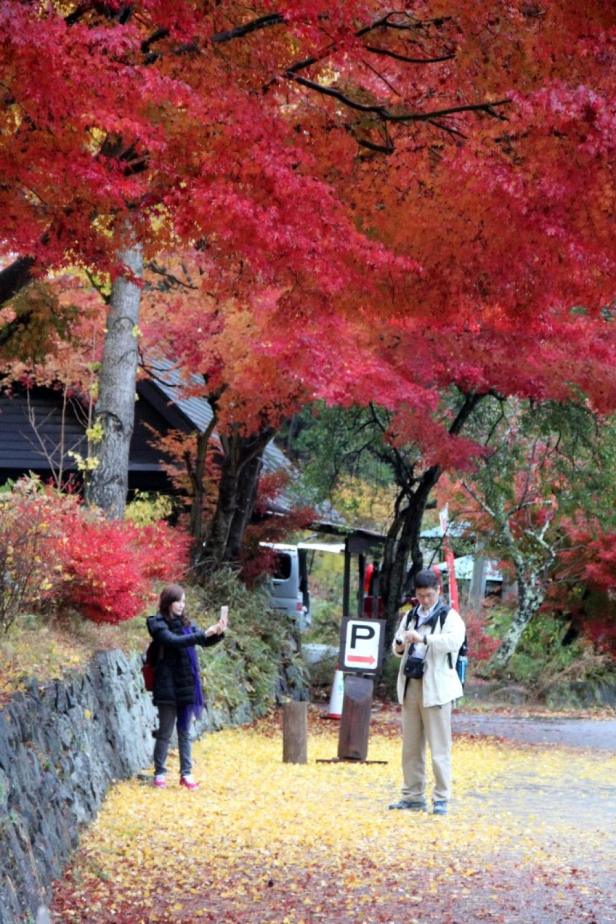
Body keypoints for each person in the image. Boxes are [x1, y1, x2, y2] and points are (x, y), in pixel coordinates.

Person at [389, 569, 465, 815]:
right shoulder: (411, 616)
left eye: (429, 595)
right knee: (411, 746)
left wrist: (423, 639)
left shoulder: (449, 617)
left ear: (438, 591)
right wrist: (402, 644)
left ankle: (441, 797)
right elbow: (397, 646)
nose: (425, 600)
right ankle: (412, 796)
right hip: (412, 683)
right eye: (421, 596)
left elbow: (453, 642)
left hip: (438, 688)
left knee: (439, 747)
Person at [146, 584, 227, 790]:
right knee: (165, 731)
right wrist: (203, 635)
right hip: (166, 684)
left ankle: (186, 773)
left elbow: (201, 641)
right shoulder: (157, 624)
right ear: (168, 602)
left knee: (185, 732)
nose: (182, 605)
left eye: (184, 601)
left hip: (186, 683)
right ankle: (160, 773)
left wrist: (216, 633)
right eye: (178, 601)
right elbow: (174, 641)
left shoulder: (186, 624)